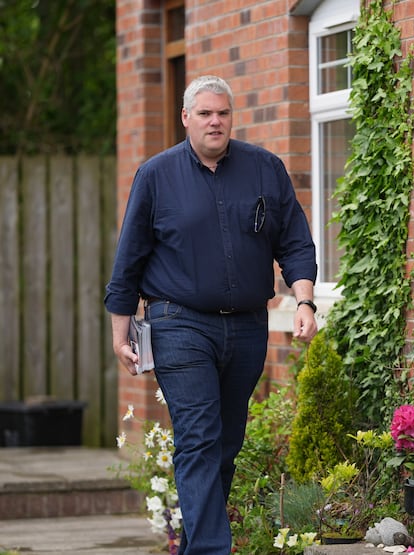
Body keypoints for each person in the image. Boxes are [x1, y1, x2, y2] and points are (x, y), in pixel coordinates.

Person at [104, 75, 318, 554]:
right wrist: (121, 333)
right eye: (204, 113)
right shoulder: (156, 176)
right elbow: (129, 259)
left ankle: (195, 545)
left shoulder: (265, 170)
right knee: (199, 437)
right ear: (186, 118)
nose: (215, 121)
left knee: (225, 444)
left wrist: (303, 300)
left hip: (246, 325)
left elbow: (296, 242)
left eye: (222, 112)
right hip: (178, 322)